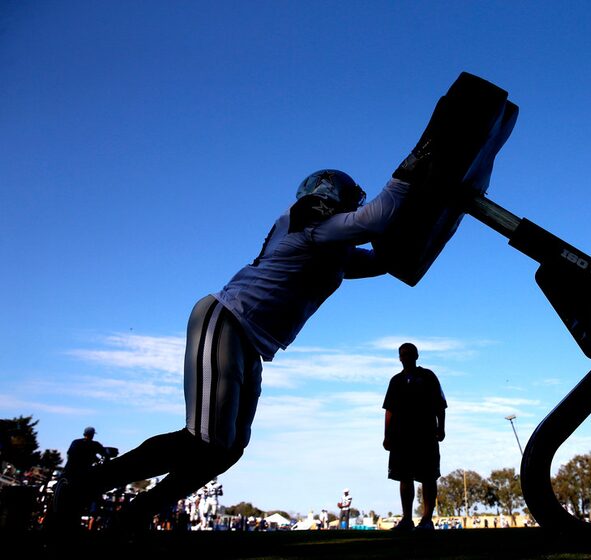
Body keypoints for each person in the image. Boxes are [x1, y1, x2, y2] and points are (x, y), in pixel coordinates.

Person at [59, 136, 436, 533]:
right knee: (203, 439)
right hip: (225, 319)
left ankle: (133, 517)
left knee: (227, 449)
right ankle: (82, 486)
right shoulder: (307, 221)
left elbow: (384, 260)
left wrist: (432, 216)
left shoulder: (330, 246)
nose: (354, 206)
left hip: (248, 339)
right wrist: (412, 171)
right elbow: (376, 220)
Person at [383, 342, 447, 531]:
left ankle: (427, 520)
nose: (406, 357)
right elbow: (389, 411)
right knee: (404, 476)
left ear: (416, 356)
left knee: (428, 476)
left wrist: (441, 428)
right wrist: (387, 436)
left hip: (426, 434)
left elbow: (440, 405)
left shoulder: (428, 376)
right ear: (399, 358)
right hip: (401, 437)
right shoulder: (396, 381)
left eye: (410, 353)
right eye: (403, 354)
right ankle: (407, 519)